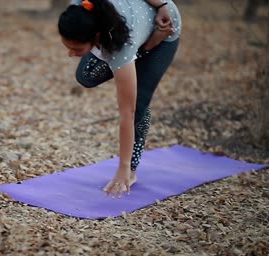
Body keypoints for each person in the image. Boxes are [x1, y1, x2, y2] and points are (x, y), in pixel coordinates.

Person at [58, 0, 181, 197]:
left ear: (96, 36)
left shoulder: (120, 47)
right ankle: (143, 50)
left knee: (138, 105)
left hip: (164, 29)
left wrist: (162, 5)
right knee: (86, 76)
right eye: (67, 46)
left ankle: (131, 171)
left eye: (77, 49)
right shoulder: (79, 7)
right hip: (127, 28)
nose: (70, 54)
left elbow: (127, 114)